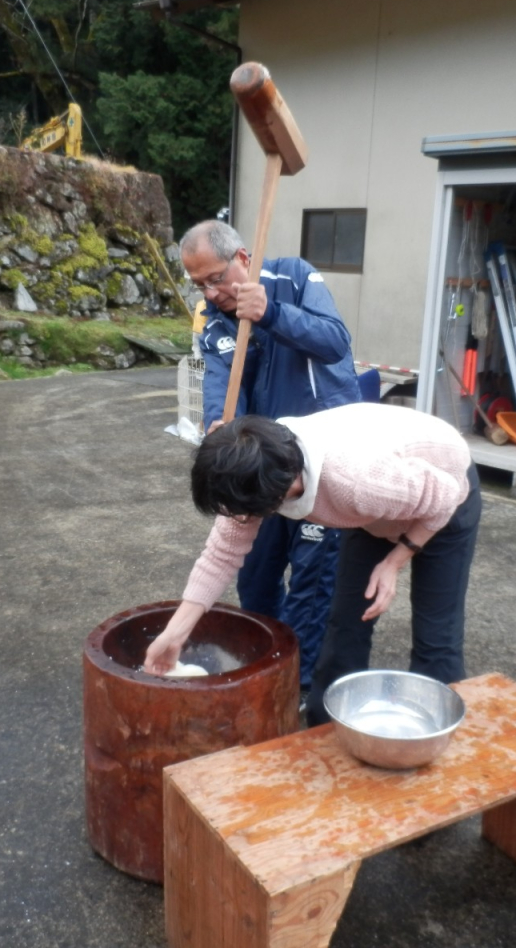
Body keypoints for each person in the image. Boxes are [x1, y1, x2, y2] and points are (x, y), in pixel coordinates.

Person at [144, 404, 483, 726]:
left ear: (282, 491)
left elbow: (446, 496)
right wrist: (174, 634)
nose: (240, 518)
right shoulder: (255, 465)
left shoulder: (357, 483)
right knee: (346, 622)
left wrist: (395, 560)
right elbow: (221, 554)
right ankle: (329, 727)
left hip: (444, 492)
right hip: (377, 511)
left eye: (244, 512)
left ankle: (436, 732)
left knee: (435, 634)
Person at [181, 220, 361, 698]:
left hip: (324, 464)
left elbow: (335, 342)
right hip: (263, 470)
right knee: (256, 579)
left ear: (243, 257)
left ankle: (297, 688)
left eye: (216, 277)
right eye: (199, 284)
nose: (211, 292)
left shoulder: (294, 278)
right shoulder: (216, 319)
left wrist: (272, 313)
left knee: (312, 583)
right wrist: (221, 428)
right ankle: (269, 661)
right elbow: (222, 383)